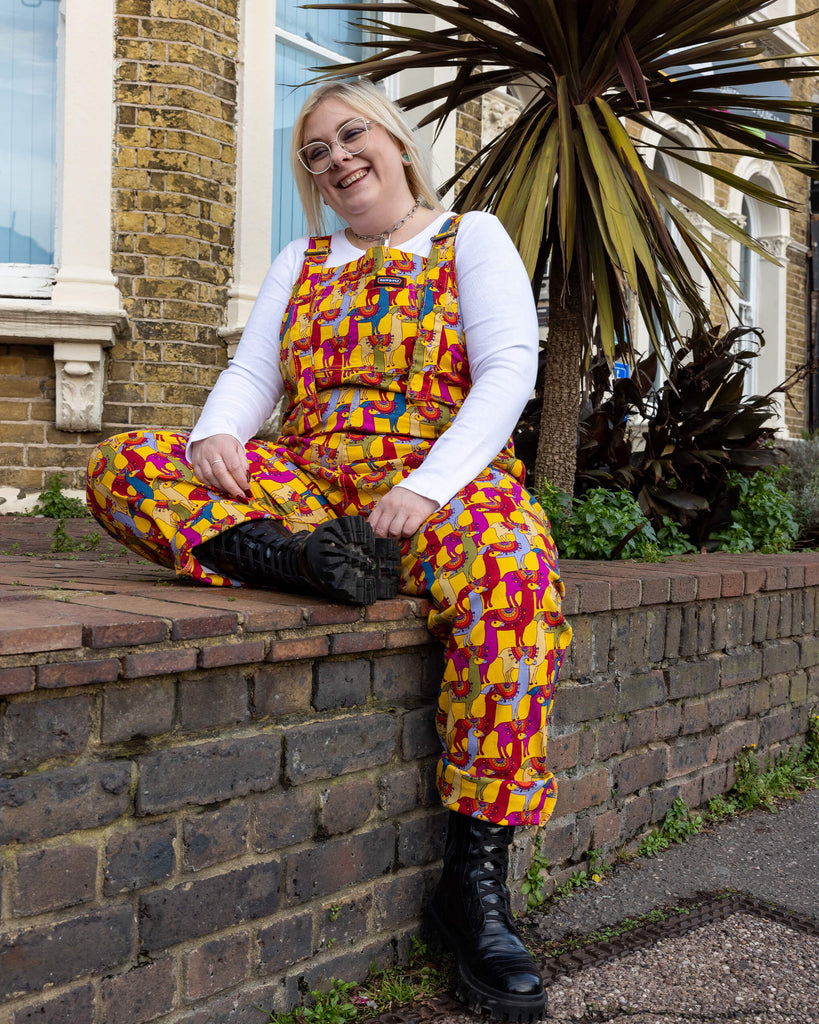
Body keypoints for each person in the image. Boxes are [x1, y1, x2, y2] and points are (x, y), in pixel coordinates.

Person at [86, 78, 572, 1022]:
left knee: (511, 579)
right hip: (313, 489)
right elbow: (252, 371)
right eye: (315, 152)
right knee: (125, 465)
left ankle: (473, 888)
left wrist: (424, 487)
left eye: (352, 136)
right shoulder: (301, 260)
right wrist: (215, 437)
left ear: (394, 142)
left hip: (439, 477)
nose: (336, 158)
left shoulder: (469, 236)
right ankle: (302, 561)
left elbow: (510, 368)